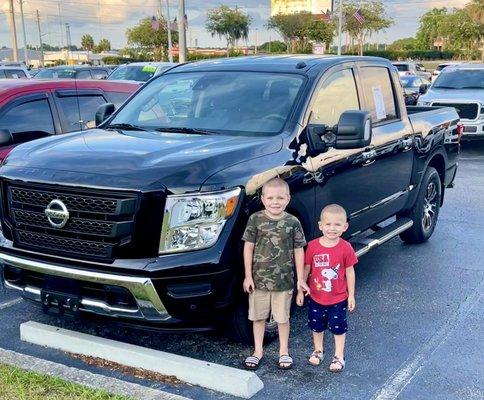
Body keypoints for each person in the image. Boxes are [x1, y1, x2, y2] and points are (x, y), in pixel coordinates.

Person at [242, 177, 307, 370]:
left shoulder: (292, 222)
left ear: (288, 199)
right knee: (258, 317)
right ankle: (258, 351)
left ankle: (284, 351)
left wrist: (300, 279)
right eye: (270, 198)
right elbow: (248, 247)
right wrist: (248, 276)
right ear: (263, 199)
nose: (275, 202)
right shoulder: (256, 220)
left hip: (284, 281)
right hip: (259, 280)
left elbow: (298, 250)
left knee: (282, 319)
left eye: (280, 198)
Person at [297, 204, 357, 372]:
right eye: (328, 224)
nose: (332, 228)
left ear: (345, 227)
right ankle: (318, 350)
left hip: (338, 298)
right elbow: (307, 268)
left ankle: (339, 355)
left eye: (337, 224)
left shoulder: (346, 248)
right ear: (320, 226)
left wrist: (351, 295)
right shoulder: (313, 246)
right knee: (317, 326)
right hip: (316, 297)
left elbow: (350, 272)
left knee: (338, 327)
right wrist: (301, 289)